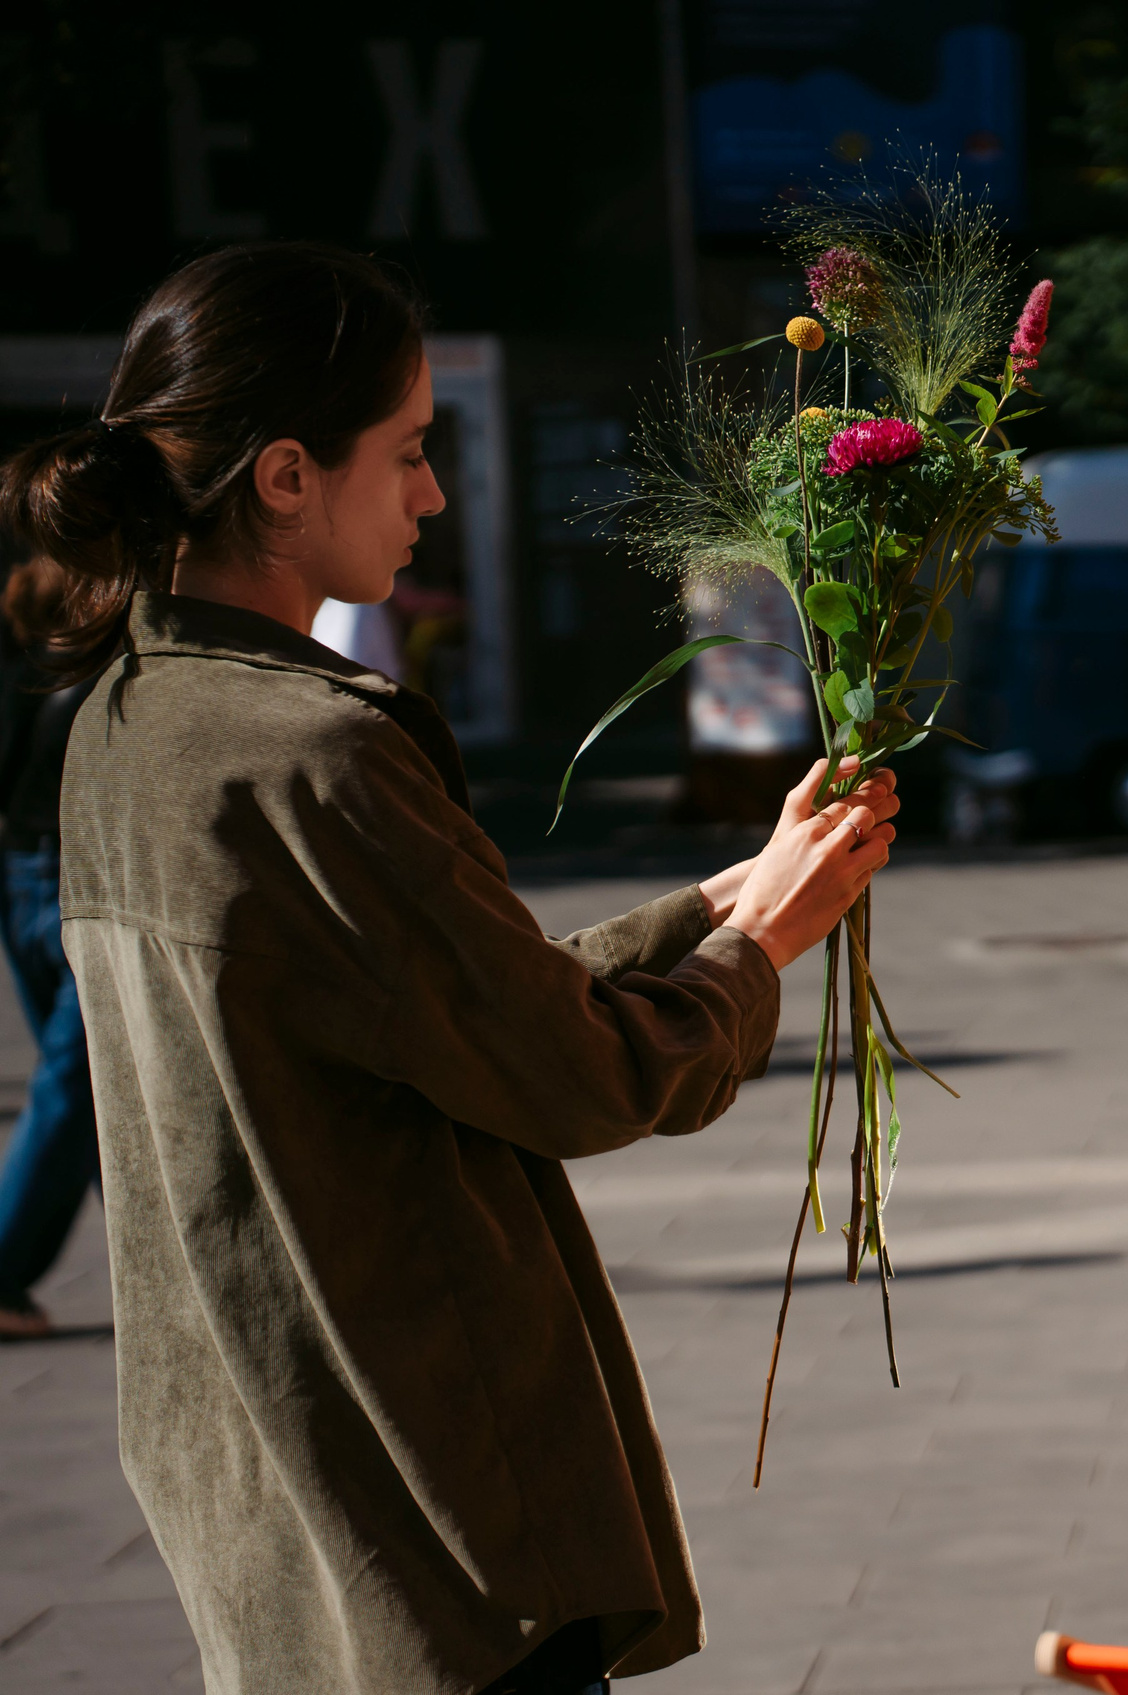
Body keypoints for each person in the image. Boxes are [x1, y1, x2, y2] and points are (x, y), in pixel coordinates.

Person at [0, 242, 894, 1694]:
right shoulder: (314, 752)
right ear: (286, 477)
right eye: (409, 452)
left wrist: (723, 899)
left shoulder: (130, 719)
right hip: (432, 1513)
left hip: (266, 1495)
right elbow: (581, 1073)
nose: (429, 495)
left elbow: (431, 1003)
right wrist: (761, 948)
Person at [0, 556, 99, 1338]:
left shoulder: (27, 675)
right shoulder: (98, 683)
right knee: (74, 1087)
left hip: (21, 879)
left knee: (83, 1089)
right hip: (69, 884)